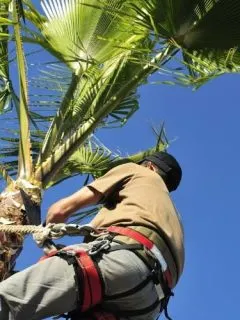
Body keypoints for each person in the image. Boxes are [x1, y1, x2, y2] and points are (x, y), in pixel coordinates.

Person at [0, 151, 184, 320]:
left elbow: (60, 210)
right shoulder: (173, 217)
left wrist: (46, 228)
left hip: (120, 263)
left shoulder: (138, 172)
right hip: (148, 304)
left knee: (7, 302)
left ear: (150, 166)